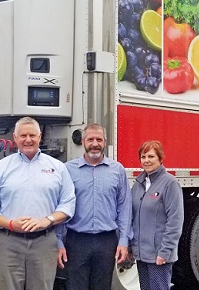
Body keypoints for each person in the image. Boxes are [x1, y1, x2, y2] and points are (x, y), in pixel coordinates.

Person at [0, 117, 76, 290]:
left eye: (32, 135)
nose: (28, 139)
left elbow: (68, 204)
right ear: (15, 138)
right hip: (9, 242)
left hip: (44, 242)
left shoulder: (58, 167)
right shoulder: (1, 168)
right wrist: (10, 224)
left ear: (40, 137)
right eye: (23, 135)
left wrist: (47, 220)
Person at [57, 123, 132, 290]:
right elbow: (60, 206)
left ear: (105, 142)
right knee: (75, 286)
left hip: (107, 241)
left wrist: (124, 240)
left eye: (99, 139)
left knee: (103, 286)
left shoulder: (117, 170)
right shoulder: (68, 170)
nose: (95, 143)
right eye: (90, 139)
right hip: (76, 241)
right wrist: (59, 242)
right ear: (83, 142)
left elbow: (124, 207)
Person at [130, 140, 184, 290]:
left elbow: (175, 221)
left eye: (151, 156)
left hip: (159, 255)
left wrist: (165, 252)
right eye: (143, 156)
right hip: (142, 255)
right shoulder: (138, 184)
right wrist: (131, 248)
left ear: (160, 158)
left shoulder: (170, 183)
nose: (146, 160)